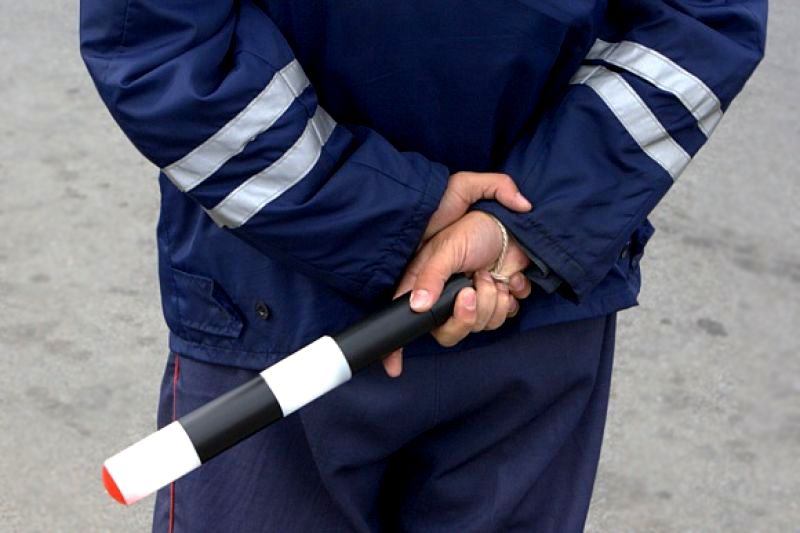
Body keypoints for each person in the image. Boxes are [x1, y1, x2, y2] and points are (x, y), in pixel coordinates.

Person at [80, 1, 767, 531]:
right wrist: (520, 222)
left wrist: (403, 215)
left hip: (283, 307)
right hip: (502, 296)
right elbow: (703, 22)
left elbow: (157, 43)